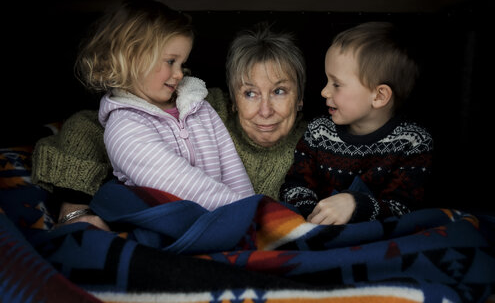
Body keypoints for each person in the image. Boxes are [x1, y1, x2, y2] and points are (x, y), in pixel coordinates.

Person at [31, 20, 308, 227]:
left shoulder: (319, 140)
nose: (265, 110)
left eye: (280, 91)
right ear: (234, 99)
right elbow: (88, 125)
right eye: (249, 93)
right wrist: (75, 209)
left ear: (300, 99)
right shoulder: (205, 106)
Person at [279, 21, 433, 225]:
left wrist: (355, 205)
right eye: (326, 81)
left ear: (379, 96)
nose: (324, 92)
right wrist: (313, 215)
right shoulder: (319, 132)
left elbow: (405, 208)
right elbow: (295, 185)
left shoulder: (413, 142)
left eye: (336, 84)